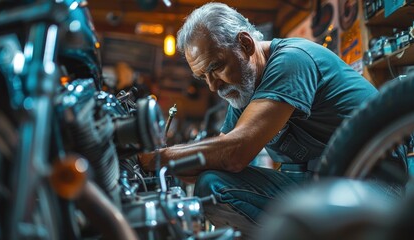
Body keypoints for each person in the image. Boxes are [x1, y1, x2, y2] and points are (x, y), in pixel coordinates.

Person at [139, 2, 378, 238]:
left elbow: (234, 153)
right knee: (211, 182)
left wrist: (160, 158)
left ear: (245, 44)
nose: (213, 86)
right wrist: (165, 163)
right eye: (204, 77)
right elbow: (217, 156)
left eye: (217, 67)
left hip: (368, 185)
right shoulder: (246, 91)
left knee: (213, 184)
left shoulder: (291, 60)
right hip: (320, 184)